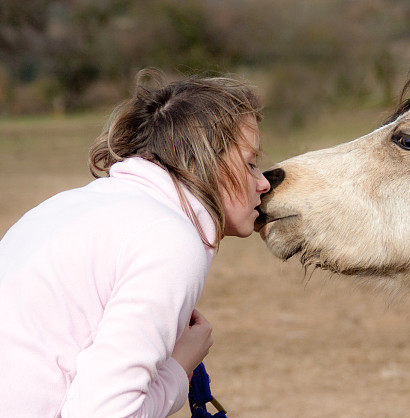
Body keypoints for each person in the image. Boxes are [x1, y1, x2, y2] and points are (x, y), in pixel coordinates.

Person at [0, 69, 270, 417]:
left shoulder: (61, 207)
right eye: (251, 164)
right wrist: (179, 368)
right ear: (205, 162)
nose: (262, 182)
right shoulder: (168, 238)